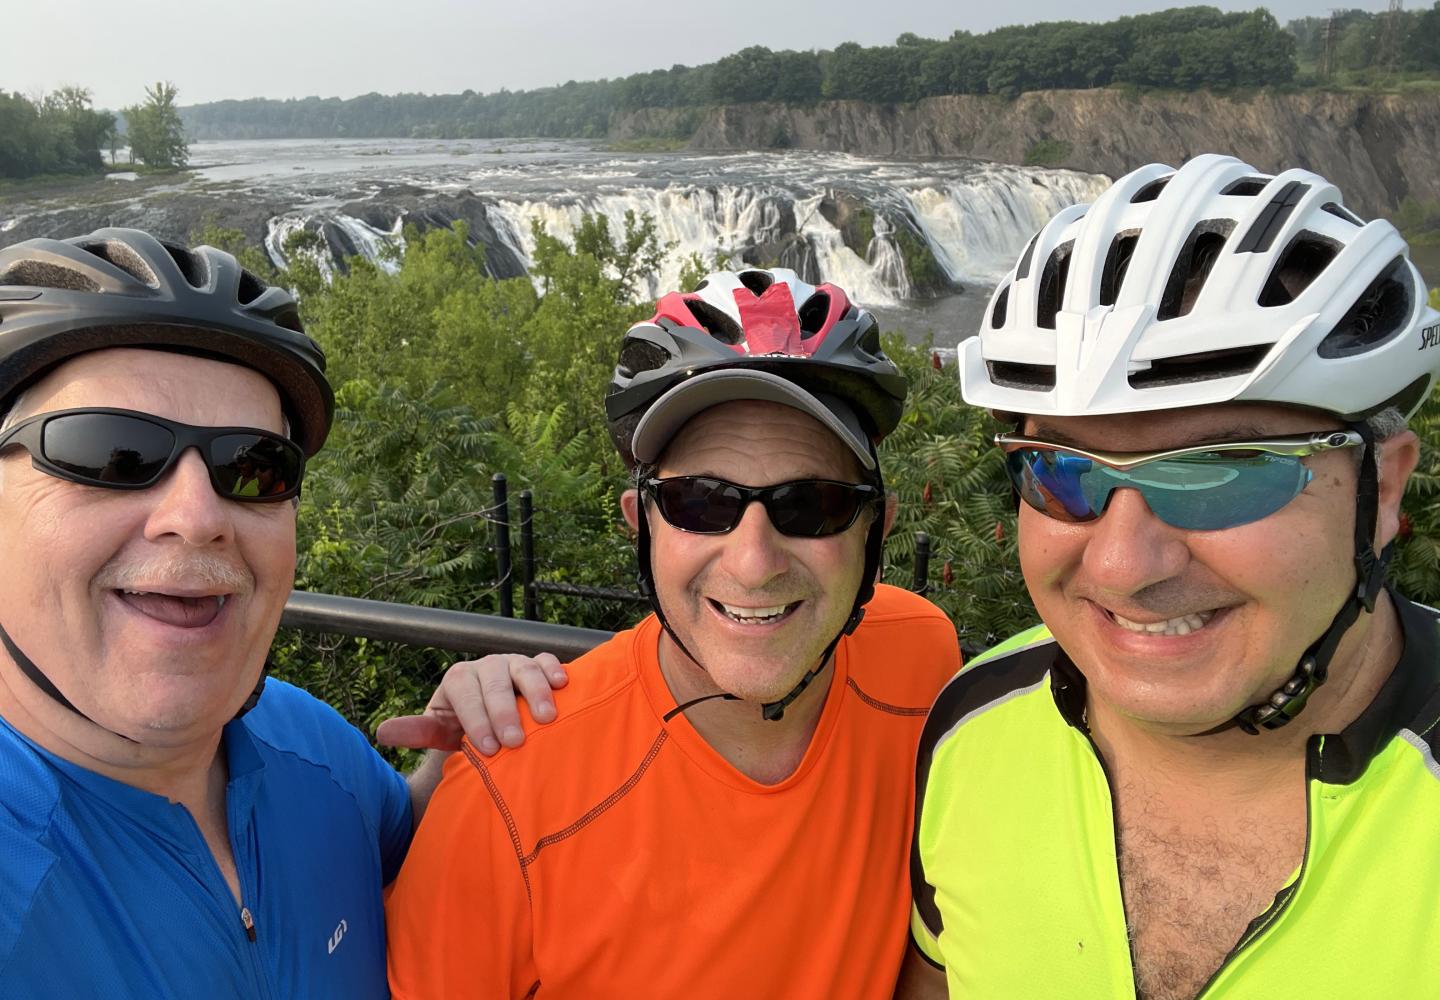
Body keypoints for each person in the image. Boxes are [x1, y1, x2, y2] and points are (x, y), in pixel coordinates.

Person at [900, 154, 1440, 999]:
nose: (1121, 566)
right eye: (1059, 470)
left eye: (1223, 470)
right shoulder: (974, 727)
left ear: (1385, 488)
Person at [384, 268, 962, 997]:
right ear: (642, 524)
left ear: (876, 531)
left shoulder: (922, 659)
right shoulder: (508, 789)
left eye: (810, 504)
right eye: (702, 501)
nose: (753, 564)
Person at [0, 228, 547, 998]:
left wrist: (463, 755)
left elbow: (404, 850)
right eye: (111, 452)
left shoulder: (307, 743)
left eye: (251, 468)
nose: (196, 515)